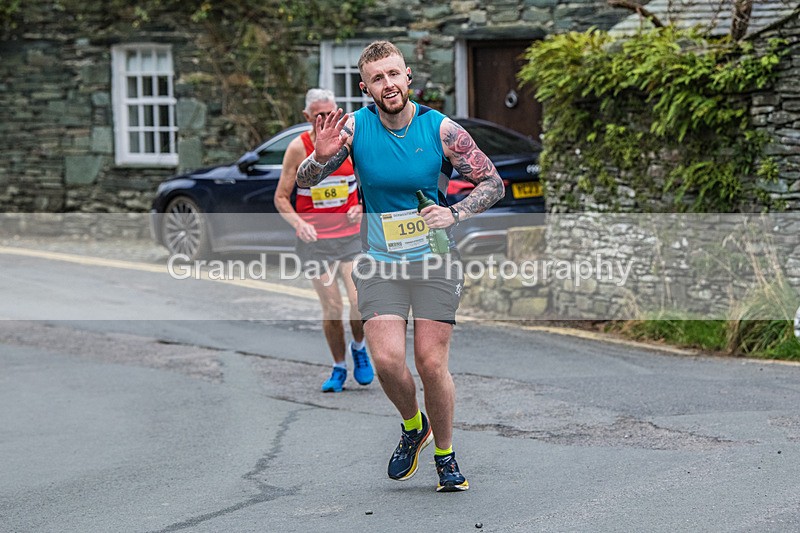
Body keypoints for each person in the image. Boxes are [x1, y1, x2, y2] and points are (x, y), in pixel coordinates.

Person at [296, 42, 504, 492]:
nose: (387, 84)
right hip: (380, 261)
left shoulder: (441, 129)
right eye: (377, 78)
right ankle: (415, 426)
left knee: (431, 364)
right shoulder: (354, 128)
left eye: (393, 74)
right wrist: (318, 156)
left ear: (407, 76)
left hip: (434, 259)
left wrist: (456, 213)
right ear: (365, 86)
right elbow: (305, 181)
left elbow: (493, 182)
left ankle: (445, 456)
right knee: (388, 360)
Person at [274, 88, 374, 393]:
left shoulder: (349, 143)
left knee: (358, 303)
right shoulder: (297, 147)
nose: (325, 120)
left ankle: (359, 347)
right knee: (332, 307)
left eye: (330, 113)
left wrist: (361, 205)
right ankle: (338, 367)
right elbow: (281, 198)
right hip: (315, 241)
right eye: (318, 115)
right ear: (307, 117)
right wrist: (299, 223)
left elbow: (370, 185)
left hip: (349, 238)